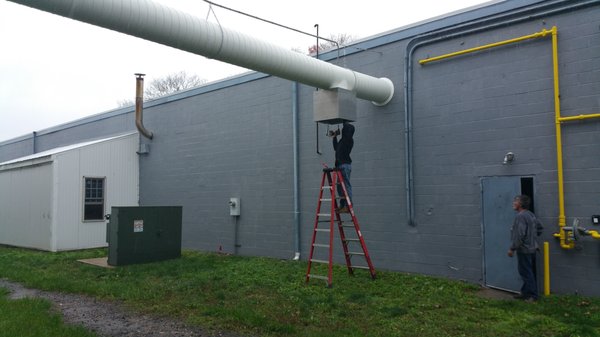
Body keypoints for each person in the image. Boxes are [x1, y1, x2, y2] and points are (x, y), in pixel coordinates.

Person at [507, 195, 543, 301]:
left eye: (516, 201)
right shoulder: (530, 214)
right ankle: (525, 293)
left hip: (524, 249)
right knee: (527, 271)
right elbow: (540, 228)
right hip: (532, 248)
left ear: (521, 204)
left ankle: (532, 295)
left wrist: (512, 249)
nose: (513, 203)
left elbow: (519, 235)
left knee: (526, 272)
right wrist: (532, 239)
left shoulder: (520, 216)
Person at [331, 122, 354, 213]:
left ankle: (348, 206)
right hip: (340, 166)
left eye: (344, 130)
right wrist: (334, 137)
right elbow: (336, 148)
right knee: (340, 188)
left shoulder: (349, 140)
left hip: (345, 165)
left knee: (346, 186)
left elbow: (349, 128)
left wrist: (343, 120)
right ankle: (343, 204)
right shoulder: (342, 141)